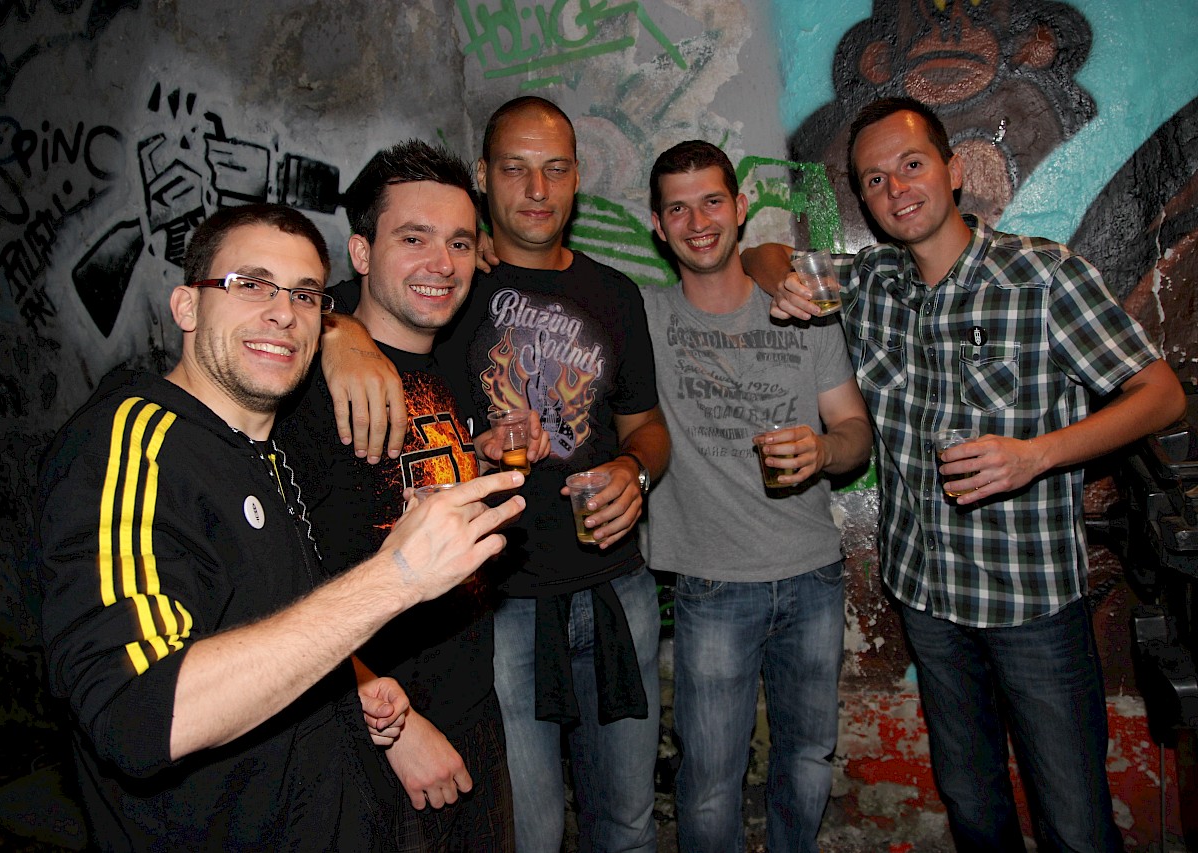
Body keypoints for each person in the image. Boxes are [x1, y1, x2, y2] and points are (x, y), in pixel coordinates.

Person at [744, 97, 1186, 852]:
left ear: (953, 171)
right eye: (874, 179)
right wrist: (782, 276)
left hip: (1032, 603)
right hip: (926, 595)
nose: (895, 189)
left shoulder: (1043, 276)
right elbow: (760, 254)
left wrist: (1038, 453)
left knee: (1075, 820)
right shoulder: (872, 282)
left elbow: (1161, 393)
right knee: (972, 803)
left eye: (911, 164)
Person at [35, 202, 526, 851]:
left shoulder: (264, 448)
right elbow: (138, 711)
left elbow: (262, 620)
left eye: (304, 294)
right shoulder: (130, 448)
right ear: (186, 306)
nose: (282, 312)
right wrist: (395, 577)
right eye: (250, 285)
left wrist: (353, 684)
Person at [321, 96, 670, 853]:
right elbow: (315, 306)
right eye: (515, 169)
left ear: (577, 178)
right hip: (497, 609)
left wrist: (633, 470)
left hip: (613, 588)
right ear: (484, 176)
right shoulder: (446, 286)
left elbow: (646, 426)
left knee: (628, 825)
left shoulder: (614, 293)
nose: (537, 190)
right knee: (527, 832)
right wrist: (338, 334)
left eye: (556, 169)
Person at [278, 140, 547, 851]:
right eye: (413, 238)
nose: (442, 263)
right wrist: (388, 725)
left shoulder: (451, 359)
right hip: (372, 732)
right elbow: (279, 578)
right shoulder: (310, 390)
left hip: (470, 709)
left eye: (459, 242)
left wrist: (473, 453)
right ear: (361, 253)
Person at [641, 140, 871, 853]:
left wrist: (823, 450)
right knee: (711, 779)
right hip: (712, 584)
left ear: (740, 207)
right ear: (657, 225)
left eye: (713, 201)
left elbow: (855, 432)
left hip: (813, 574)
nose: (698, 221)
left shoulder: (802, 309)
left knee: (808, 759)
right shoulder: (643, 318)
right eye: (678, 209)